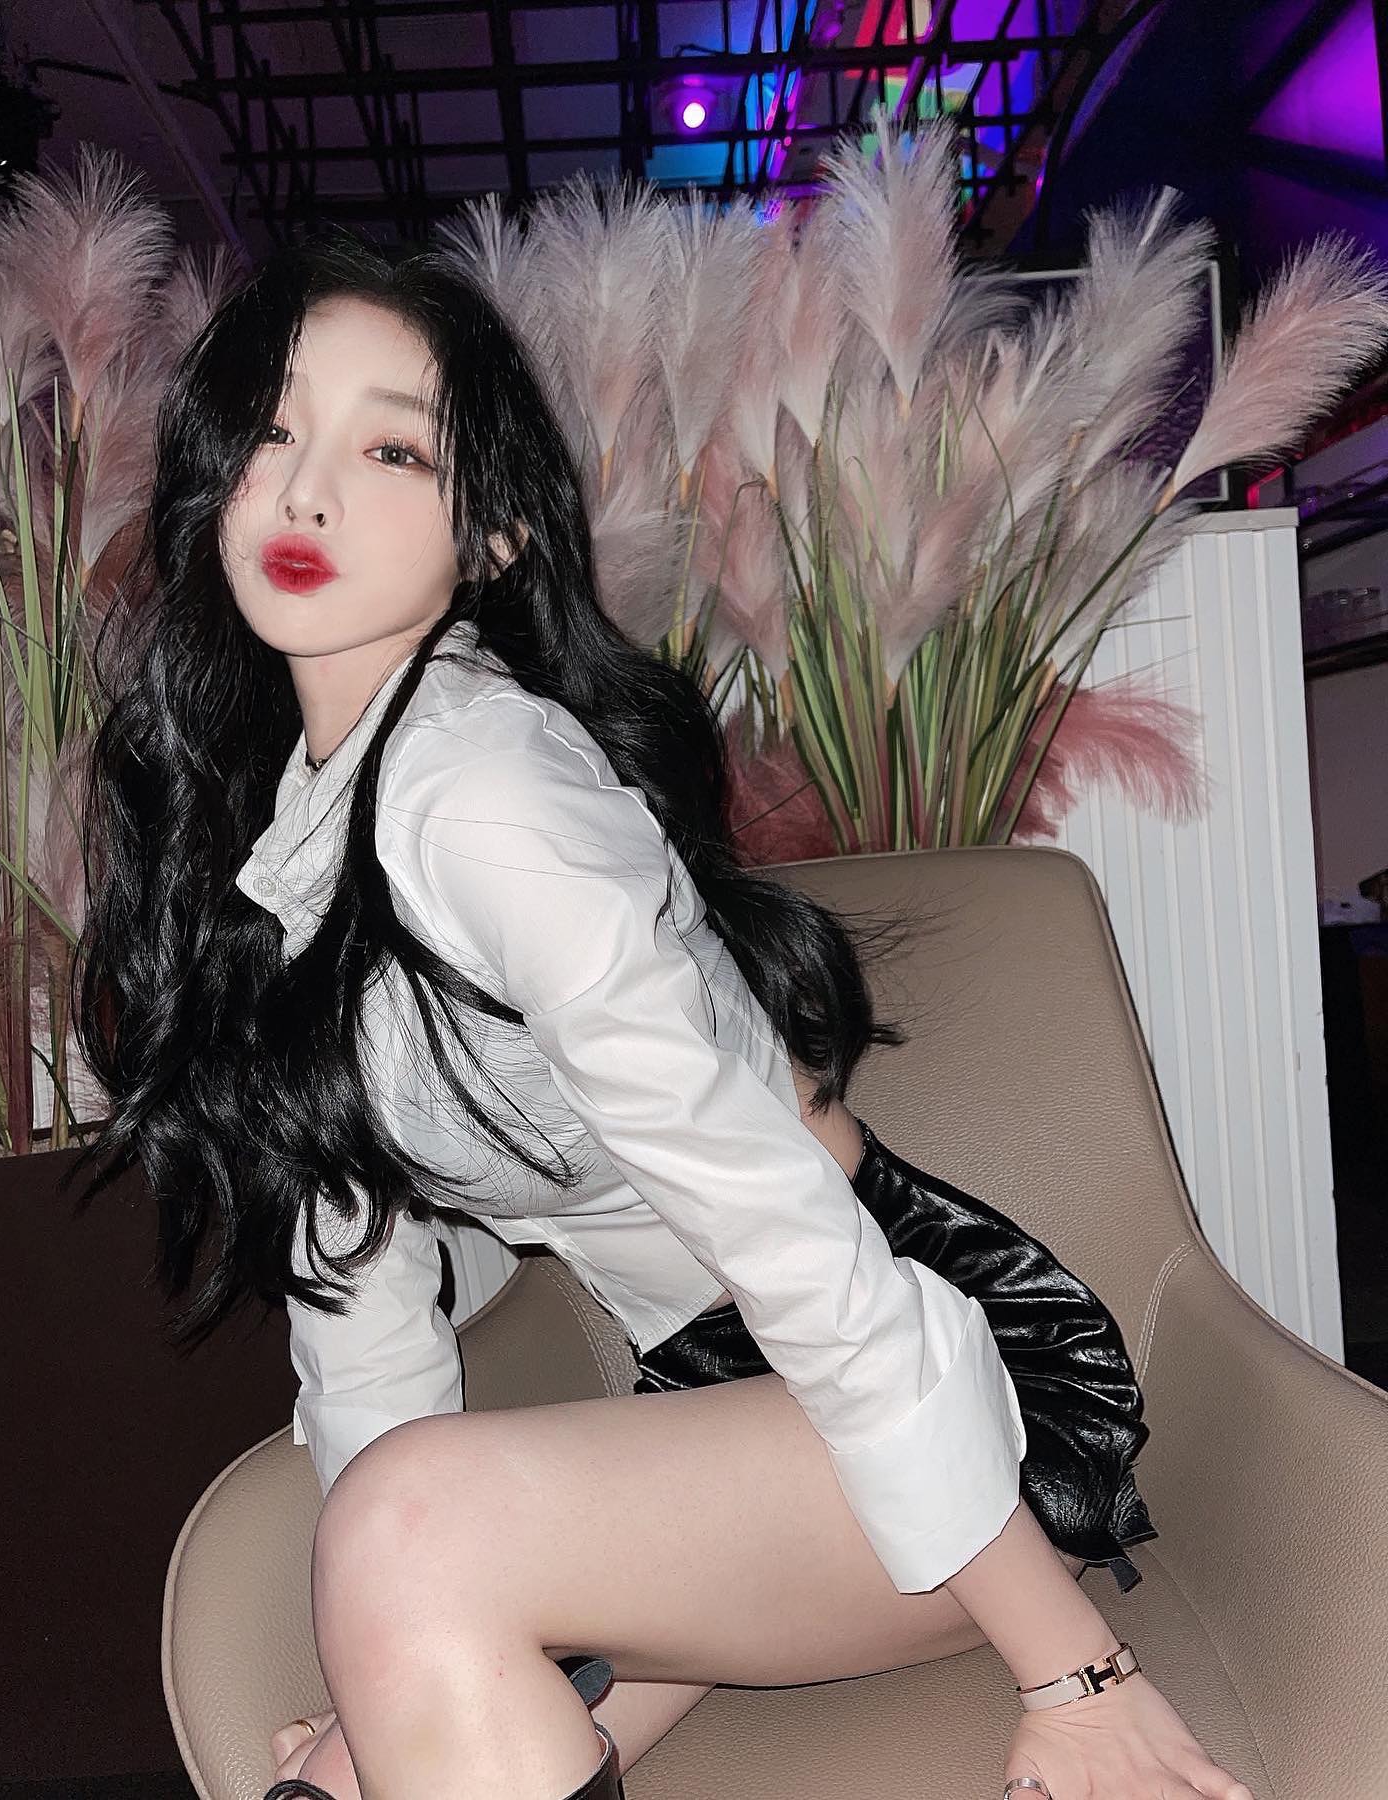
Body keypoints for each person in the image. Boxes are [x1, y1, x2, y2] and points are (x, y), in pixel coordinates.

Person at [70, 235, 1255, 1800]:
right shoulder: (289, 836)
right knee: (358, 1729)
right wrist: (372, 1660)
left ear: (493, 532)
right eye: (273, 431)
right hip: (727, 1420)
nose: (306, 492)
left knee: (410, 1529)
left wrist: (1072, 1668)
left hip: (962, 1390)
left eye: (391, 450)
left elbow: (773, 1215)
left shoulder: (486, 792)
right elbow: (364, 1328)